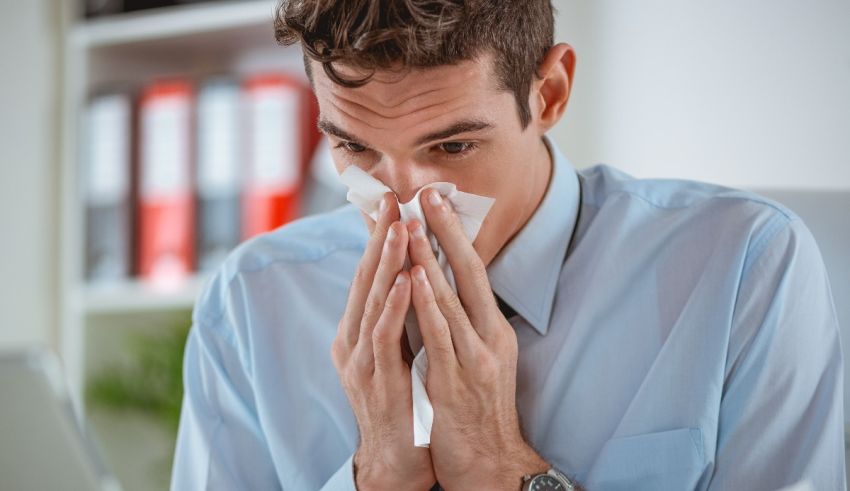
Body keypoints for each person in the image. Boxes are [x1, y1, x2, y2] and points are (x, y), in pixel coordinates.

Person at [171, 1, 846, 490]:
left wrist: (504, 470)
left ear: (548, 93)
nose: (406, 202)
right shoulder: (251, 306)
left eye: (453, 145)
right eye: (354, 146)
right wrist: (372, 478)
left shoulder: (743, 269)